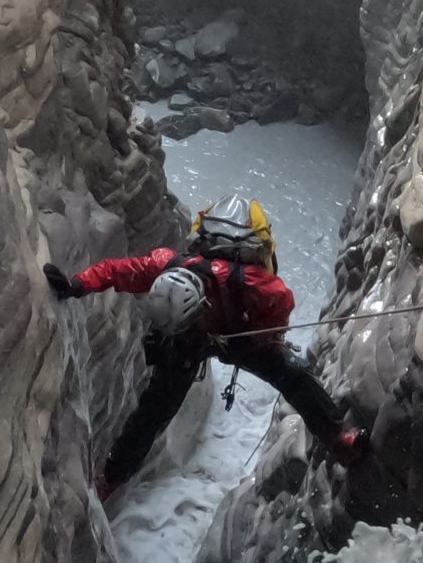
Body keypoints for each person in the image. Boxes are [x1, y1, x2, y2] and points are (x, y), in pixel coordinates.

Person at [45, 195, 368, 498]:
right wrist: (77, 284)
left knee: (295, 377)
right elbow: (118, 271)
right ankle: (111, 479)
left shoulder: (256, 285)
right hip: (189, 343)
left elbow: (279, 312)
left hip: (240, 335)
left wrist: (261, 340)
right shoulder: (170, 267)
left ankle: (338, 438)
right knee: (150, 416)